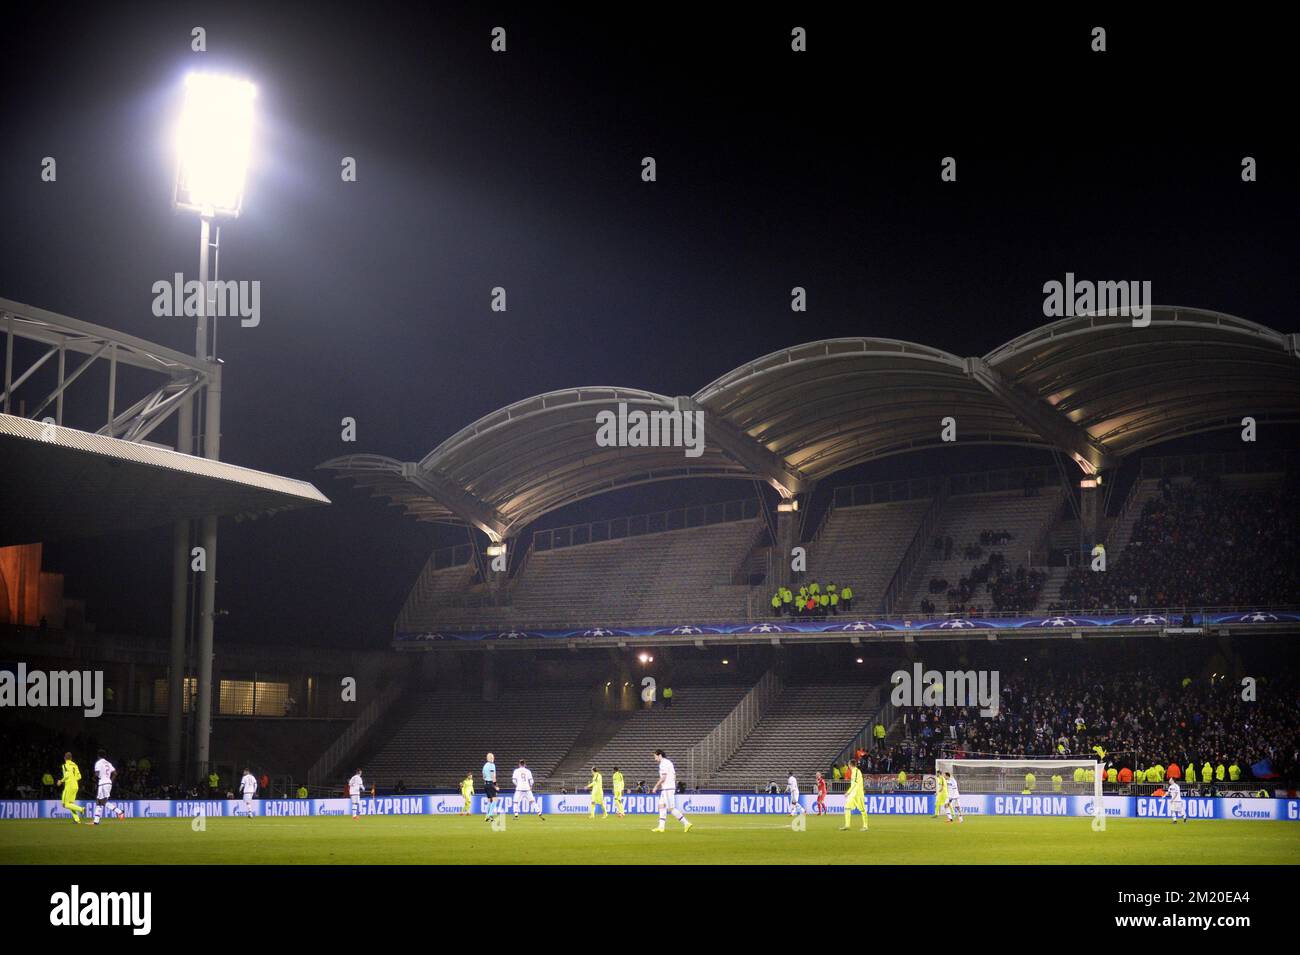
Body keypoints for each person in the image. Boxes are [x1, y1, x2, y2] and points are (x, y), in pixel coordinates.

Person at [650, 749, 692, 833]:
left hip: (667, 788)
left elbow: (663, 777)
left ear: (660, 755)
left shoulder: (663, 764)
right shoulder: (669, 762)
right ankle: (661, 827)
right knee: (661, 805)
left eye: (655, 756)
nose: (655, 759)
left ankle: (686, 823)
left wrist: (655, 787)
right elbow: (674, 775)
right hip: (667, 788)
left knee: (671, 809)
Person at [92, 749, 124, 825]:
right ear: (105, 755)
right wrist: (110, 781)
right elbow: (115, 773)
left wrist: (93, 778)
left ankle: (119, 811)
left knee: (101, 802)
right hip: (108, 783)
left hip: (103, 783)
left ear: (98, 755)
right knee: (100, 801)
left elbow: (97, 773)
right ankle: (96, 821)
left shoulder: (98, 763)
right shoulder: (108, 763)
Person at [840, 758, 868, 831]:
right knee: (847, 807)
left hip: (858, 794)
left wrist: (848, 792)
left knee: (862, 809)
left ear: (850, 765)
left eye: (848, 764)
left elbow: (855, 784)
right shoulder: (853, 772)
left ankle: (865, 826)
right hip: (853, 794)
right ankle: (847, 825)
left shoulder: (856, 771)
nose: (848, 766)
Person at [57, 752, 85, 824]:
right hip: (75, 786)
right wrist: (73, 779)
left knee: (65, 804)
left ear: (64, 758)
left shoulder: (65, 765)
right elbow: (79, 777)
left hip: (69, 786)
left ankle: (81, 809)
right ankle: (77, 820)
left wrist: (61, 781)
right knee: (70, 804)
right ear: (71, 758)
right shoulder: (75, 765)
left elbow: (67, 775)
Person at [482, 752, 499, 822]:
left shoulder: (485, 765)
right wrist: (495, 785)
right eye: (491, 757)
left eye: (493, 757)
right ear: (488, 758)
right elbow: (493, 776)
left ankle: (487, 816)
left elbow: (483, 776)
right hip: (490, 783)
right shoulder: (492, 765)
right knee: (495, 800)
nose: (493, 758)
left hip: (486, 784)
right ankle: (489, 815)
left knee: (489, 800)